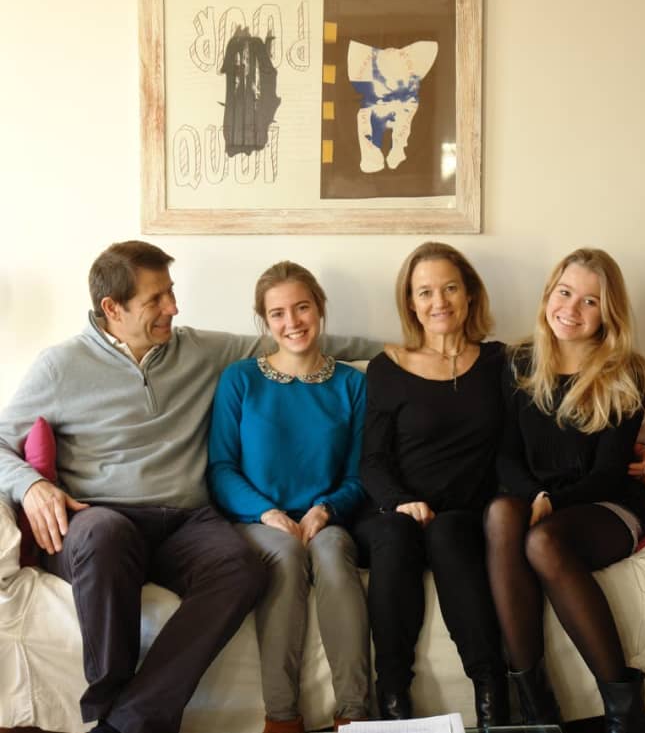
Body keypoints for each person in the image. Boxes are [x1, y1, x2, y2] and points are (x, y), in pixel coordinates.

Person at [0, 240, 380, 733]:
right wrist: (30, 484)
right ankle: (113, 704)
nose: (173, 308)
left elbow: (296, 343)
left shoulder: (198, 348)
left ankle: (130, 719)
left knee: (241, 567)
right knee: (104, 534)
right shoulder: (60, 366)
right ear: (113, 308)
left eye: (171, 292)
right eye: (156, 299)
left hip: (186, 520)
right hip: (102, 516)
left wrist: (405, 350)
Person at [484, 248, 645, 733]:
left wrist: (553, 502)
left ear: (608, 313)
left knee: (543, 541)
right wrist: (536, 497)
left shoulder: (626, 372)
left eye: (590, 301)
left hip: (605, 504)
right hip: (539, 500)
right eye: (565, 293)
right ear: (548, 295)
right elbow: (505, 455)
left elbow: (608, 473)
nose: (571, 309)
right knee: (501, 514)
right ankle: (537, 715)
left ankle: (625, 715)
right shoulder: (518, 362)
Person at [208, 261, 370, 733]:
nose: (292, 322)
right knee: (285, 555)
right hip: (259, 519)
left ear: (319, 308)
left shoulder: (352, 384)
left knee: (334, 555)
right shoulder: (239, 380)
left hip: (327, 517)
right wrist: (267, 512)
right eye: (277, 313)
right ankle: (281, 718)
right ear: (264, 321)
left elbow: (360, 474)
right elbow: (221, 468)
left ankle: (355, 716)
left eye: (302, 308)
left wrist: (326, 509)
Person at [354, 242, 507, 728]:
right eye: (425, 292)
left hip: (465, 513)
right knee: (394, 535)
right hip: (396, 511)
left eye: (450, 288)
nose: (439, 301)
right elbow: (372, 460)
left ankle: (492, 700)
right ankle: (393, 700)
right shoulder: (388, 366)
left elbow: (545, 421)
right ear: (411, 302)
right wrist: (401, 502)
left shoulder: (499, 362)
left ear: (469, 293)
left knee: (448, 533)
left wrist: (638, 444)